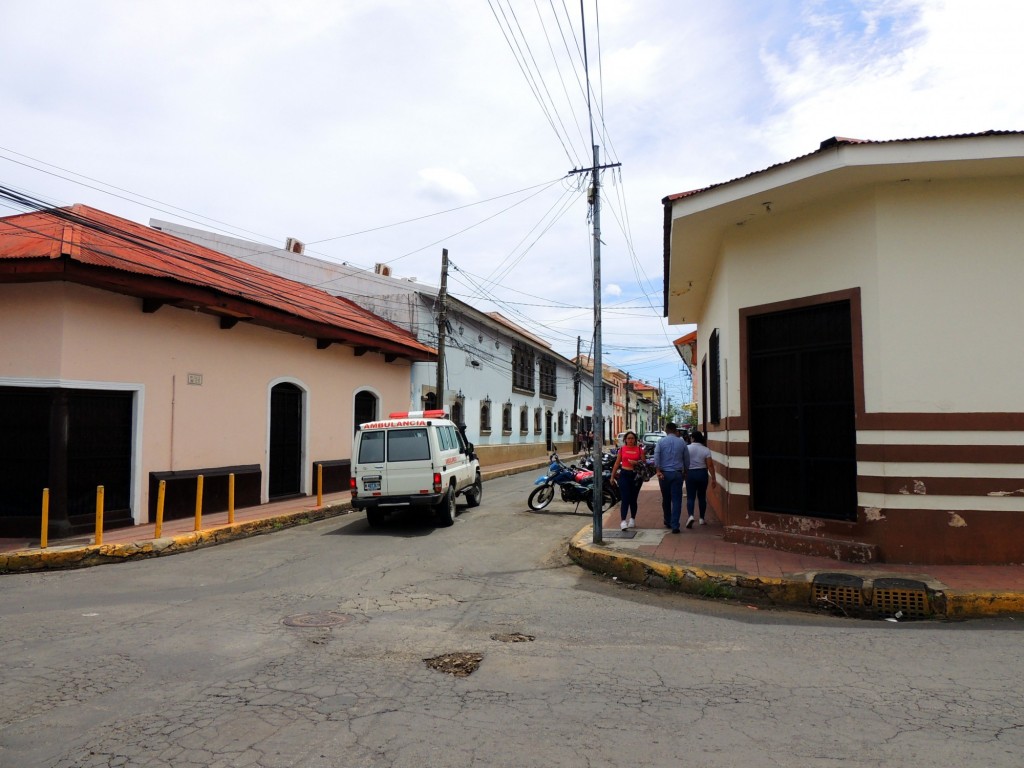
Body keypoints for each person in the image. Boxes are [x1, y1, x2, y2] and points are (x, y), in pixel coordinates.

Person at [653, 422, 689, 533]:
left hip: (664, 474)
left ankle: (668, 520)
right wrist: (685, 472)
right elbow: (686, 459)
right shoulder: (682, 443)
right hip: (677, 473)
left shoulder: (660, 442)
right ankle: (675, 525)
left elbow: (656, 457)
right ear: (675, 430)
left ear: (666, 430)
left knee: (666, 498)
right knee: (677, 499)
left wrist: (658, 471)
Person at [610, 431, 644, 530]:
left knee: (633, 499)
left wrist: (636, 462)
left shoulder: (639, 450)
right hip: (624, 475)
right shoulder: (622, 449)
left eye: (632, 438)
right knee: (625, 499)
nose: (630, 440)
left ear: (635, 439)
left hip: (636, 476)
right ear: (625, 440)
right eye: (628, 438)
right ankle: (623, 521)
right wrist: (612, 476)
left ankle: (632, 519)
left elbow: (644, 463)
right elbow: (617, 463)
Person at [684, 430, 717, 528]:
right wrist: (714, 478)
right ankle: (702, 518)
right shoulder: (705, 449)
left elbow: (683, 462)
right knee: (702, 496)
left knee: (690, 497)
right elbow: (710, 465)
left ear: (692, 438)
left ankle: (690, 516)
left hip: (690, 473)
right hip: (702, 473)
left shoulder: (686, 448)